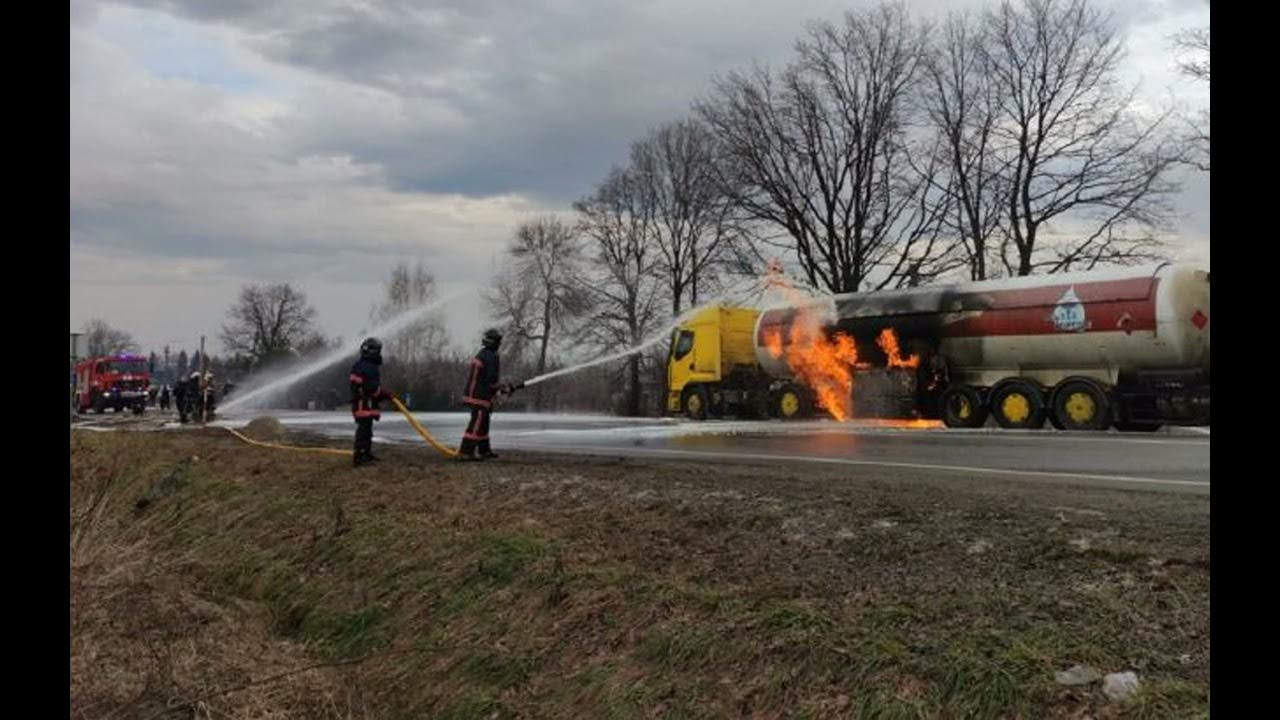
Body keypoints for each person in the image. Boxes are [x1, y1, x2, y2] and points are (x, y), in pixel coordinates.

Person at [457, 328, 516, 461]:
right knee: (477, 423)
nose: (499, 344)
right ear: (493, 341)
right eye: (498, 341)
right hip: (478, 396)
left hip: (481, 394)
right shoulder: (489, 356)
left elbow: (490, 380)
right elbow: (490, 380)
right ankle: (466, 451)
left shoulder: (487, 354)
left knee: (484, 422)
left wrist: (500, 389)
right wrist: (502, 387)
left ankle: (484, 450)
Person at [350, 337, 391, 467]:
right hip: (364, 403)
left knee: (367, 429)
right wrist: (383, 394)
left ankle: (366, 453)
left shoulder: (363, 365)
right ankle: (360, 455)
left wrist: (381, 394)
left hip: (365, 402)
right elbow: (370, 387)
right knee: (363, 429)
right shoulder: (367, 367)